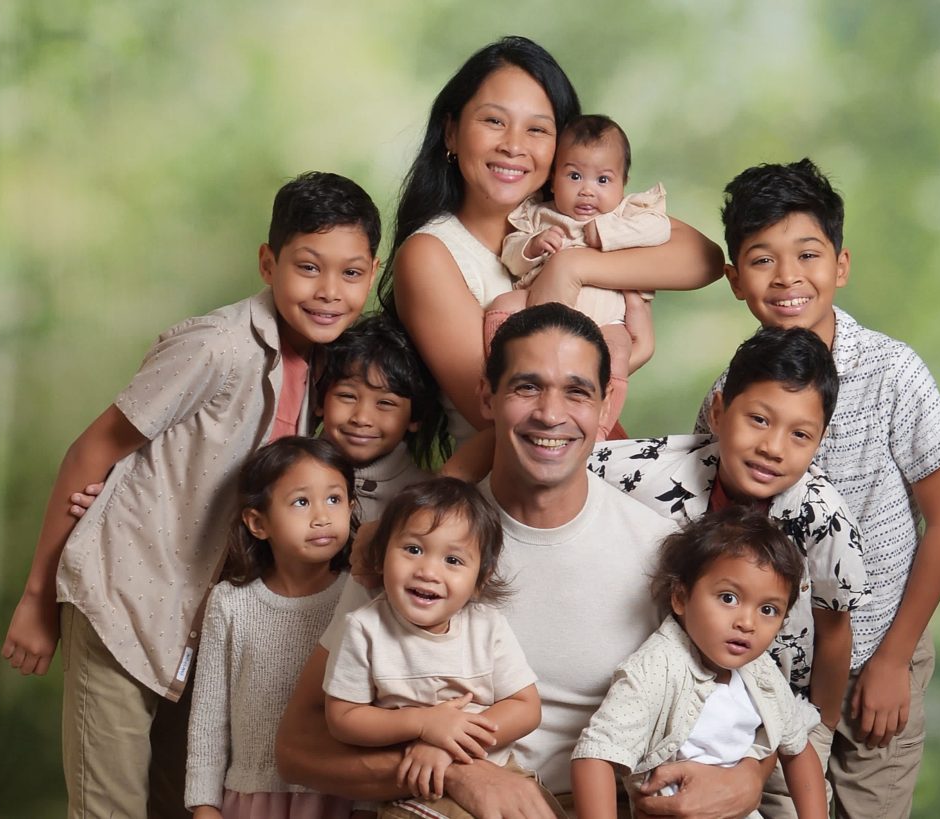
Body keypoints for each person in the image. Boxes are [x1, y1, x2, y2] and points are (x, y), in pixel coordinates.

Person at [276, 303, 770, 819]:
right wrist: (459, 774)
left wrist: (748, 778)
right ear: (487, 397)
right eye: (527, 387)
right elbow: (298, 747)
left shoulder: (661, 550)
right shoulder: (415, 548)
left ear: (605, 407)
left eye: (576, 391)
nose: (550, 414)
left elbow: (760, 696)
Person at [0, 171, 380, 818]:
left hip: (203, 621)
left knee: (185, 800)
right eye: (308, 267)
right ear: (269, 263)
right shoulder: (216, 347)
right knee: (111, 807)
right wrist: (37, 598)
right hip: (124, 600)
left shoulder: (332, 362)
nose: (329, 291)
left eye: (351, 273)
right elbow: (91, 450)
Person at [694, 158, 940, 818]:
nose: (787, 276)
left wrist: (894, 660)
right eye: (762, 259)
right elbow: (711, 527)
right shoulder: (730, 396)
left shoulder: (892, 373)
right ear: (735, 279)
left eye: (807, 254)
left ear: (841, 265)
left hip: (883, 643)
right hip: (774, 665)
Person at [376, 35, 723, 449]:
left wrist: (573, 267)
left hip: (594, 457)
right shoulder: (431, 253)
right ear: (451, 133)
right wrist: (629, 353)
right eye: (494, 121)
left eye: (538, 129)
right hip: (515, 473)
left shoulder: (575, 211)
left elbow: (704, 258)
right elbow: (496, 414)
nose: (513, 145)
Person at [589, 326, 870, 815]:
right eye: (758, 419)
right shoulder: (651, 471)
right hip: (668, 704)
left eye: (799, 435)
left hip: (773, 713)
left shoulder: (825, 520)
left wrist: (818, 732)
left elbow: (834, 631)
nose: (773, 447)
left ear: (819, 441)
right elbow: (563, 451)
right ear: (719, 412)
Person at [572, 508, 828, 819]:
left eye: (768, 610)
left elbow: (798, 749)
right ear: (680, 598)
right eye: (728, 598)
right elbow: (594, 756)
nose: (747, 623)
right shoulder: (656, 668)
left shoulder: (760, 669)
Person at [324, 477, 553, 818]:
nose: (428, 571)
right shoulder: (364, 629)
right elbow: (343, 719)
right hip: (408, 787)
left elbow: (526, 707)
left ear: (481, 579)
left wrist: (450, 743)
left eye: (453, 560)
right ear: (381, 554)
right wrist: (423, 725)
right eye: (413, 550)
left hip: (496, 770)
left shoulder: (487, 626)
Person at [186, 437, 357, 819]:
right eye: (301, 502)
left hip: (337, 796)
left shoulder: (358, 597)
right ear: (258, 523)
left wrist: (365, 806)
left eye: (334, 499)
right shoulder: (230, 602)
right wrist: (204, 804)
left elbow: (373, 705)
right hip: (250, 799)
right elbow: (209, 716)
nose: (322, 517)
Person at [486, 113, 670, 438]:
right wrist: (532, 246)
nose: (587, 191)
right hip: (541, 305)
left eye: (603, 180)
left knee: (617, 353)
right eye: (574, 176)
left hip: (608, 319)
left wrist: (609, 235)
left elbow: (660, 228)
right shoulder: (540, 215)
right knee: (503, 303)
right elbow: (511, 255)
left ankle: (598, 430)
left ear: (623, 183)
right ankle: (498, 375)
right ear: (552, 179)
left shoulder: (626, 214)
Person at [317, 313, 445, 520]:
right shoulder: (289, 472)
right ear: (319, 401)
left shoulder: (425, 498)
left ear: (415, 417)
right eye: (347, 396)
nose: (361, 418)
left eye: (385, 403)